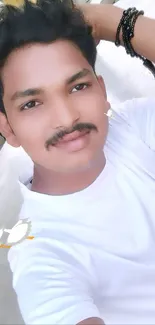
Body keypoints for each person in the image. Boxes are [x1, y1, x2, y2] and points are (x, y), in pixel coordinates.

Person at [0, 0, 155, 324]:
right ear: (7, 128)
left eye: (78, 86)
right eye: (32, 104)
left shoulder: (135, 129)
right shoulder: (40, 252)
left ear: (101, 90)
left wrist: (110, 21)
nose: (67, 117)